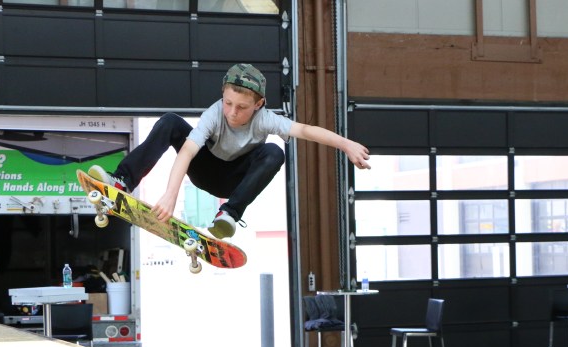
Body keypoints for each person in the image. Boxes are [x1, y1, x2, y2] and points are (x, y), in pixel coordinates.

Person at [89, 63, 371, 239]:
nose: (232, 113)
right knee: (170, 122)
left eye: (242, 107)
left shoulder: (266, 119)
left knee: (275, 152)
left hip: (233, 178)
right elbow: (187, 151)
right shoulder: (214, 114)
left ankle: (229, 215)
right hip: (205, 169)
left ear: (259, 104)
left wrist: (346, 144)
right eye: (228, 103)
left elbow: (306, 131)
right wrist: (170, 193)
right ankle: (123, 180)